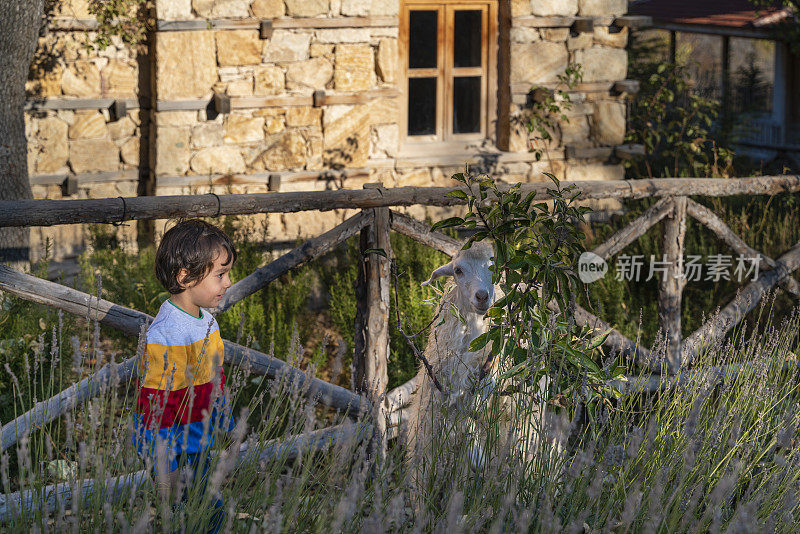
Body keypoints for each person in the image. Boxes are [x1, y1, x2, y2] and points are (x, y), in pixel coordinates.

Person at [132, 219, 237, 533]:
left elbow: (214, 382)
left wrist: (229, 428)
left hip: (200, 442)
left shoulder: (206, 321)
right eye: (220, 274)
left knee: (201, 515)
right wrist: (166, 468)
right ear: (185, 277)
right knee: (207, 516)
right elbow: (154, 409)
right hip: (178, 451)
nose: (228, 282)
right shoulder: (167, 334)